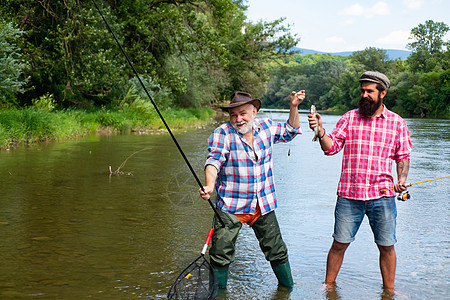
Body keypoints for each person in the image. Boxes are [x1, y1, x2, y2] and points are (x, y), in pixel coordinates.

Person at [307, 71, 412, 293]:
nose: (364, 95)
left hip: (383, 196)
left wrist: (401, 179)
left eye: (370, 91)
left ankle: (389, 292)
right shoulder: (348, 118)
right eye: (362, 91)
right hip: (349, 195)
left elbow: (403, 156)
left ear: (382, 93)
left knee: (386, 246)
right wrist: (320, 131)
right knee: (339, 244)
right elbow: (331, 148)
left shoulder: (397, 123)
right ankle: (328, 287)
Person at [199, 90, 305, 289]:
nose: (238, 119)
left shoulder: (266, 126)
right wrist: (210, 185)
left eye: (243, 113)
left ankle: (288, 289)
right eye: (233, 115)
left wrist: (294, 106)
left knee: (277, 250)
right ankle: (219, 293)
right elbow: (213, 161)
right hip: (230, 206)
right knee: (220, 254)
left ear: (254, 111)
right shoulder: (222, 133)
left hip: (262, 204)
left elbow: (291, 130)